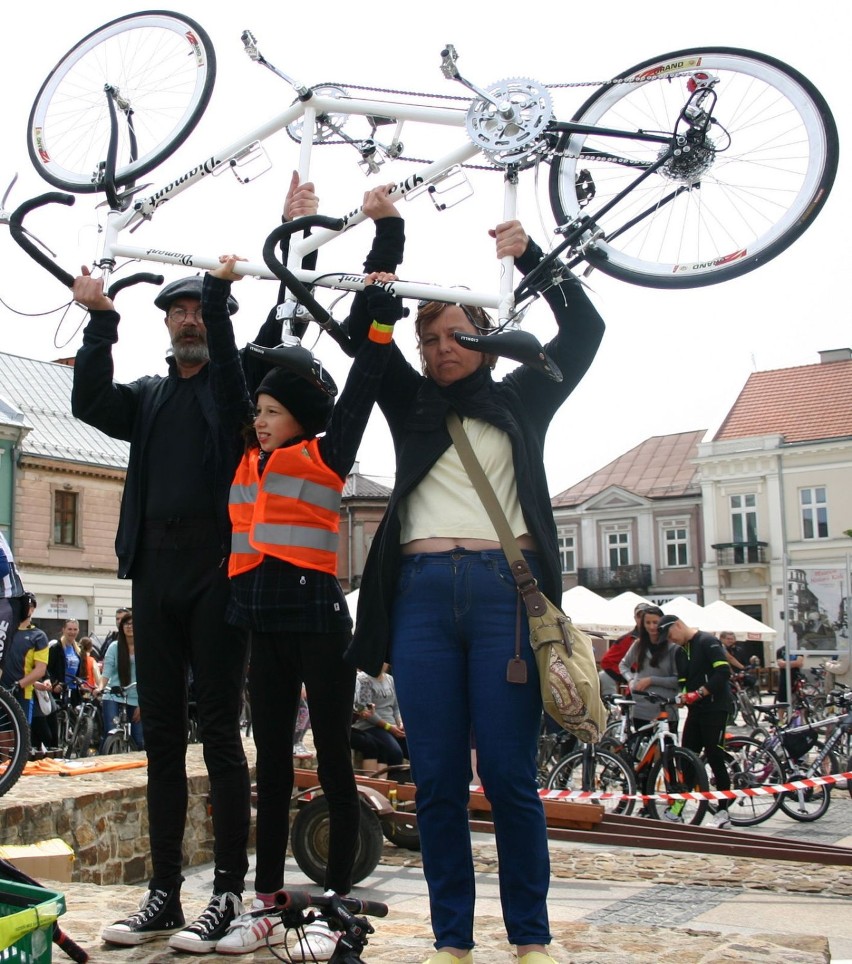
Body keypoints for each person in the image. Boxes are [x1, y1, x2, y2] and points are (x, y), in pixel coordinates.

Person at [67, 181, 329, 951]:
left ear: (214, 321)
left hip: (220, 571)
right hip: (154, 571)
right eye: (176, 311)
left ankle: (224, 891)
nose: (187, 318)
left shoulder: (237, 394)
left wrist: (292, 230)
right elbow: (87, 402)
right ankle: (161, 892)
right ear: (166, 324)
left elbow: (286, 316)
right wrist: (99, 321)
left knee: (218, 732)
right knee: (158, 737)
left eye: (197, 310)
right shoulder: (147, 396)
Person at [345, 218, 605, 964]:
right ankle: (451, 941)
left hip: (505, 594)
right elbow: (366, 330)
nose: (441, 349)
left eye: (457, 334)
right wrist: (386, 249)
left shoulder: (524, 394)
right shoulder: (410, 399)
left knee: (510, 776)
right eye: (429, 341)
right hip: (422, 598)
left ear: (487, 336)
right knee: (436, 782)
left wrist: (529, 258)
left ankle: (530, 937)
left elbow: (586, 327)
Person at [212, 187, 405, 959]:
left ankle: (333, 902)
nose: (258, 416)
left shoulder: (326, 455)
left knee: (329, 755)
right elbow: (235, 368)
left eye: (271, 408)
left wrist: (383, 272)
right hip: (260, 619)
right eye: (255, 409)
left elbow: (368, 366)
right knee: (272, 761)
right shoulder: (246, 452)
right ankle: (264, 901)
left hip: (317, 621)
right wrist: (227, 295)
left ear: (298, 415)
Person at [655, 614, 733, 830]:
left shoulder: (708, 642)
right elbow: (683, 682)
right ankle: (678, 810)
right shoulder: (681, 653)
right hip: (695, 711)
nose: (672, 640)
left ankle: (723, 811)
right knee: (687, 758)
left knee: (715, 756)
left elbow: (723, 672)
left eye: (671, 635)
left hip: (716, 708)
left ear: (678, 626)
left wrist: (699, 693)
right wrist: (681, 696)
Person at [617, 606, 679, 731]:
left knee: (666, 747)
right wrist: (631, 680)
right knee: (642, 746)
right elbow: (623, 665)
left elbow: (678, 680)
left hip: (665, 706)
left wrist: (651, 680)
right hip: (641, 706)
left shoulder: (673, 647)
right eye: (648, 623)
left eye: (655, 622)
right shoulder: (639, 645)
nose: (651, 627)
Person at [0, 592, 49, 728]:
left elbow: (40, 670)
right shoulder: (5, 630)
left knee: (20, 733)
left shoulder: (38, 636)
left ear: (33, 609)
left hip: (22, 693)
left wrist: (19, 684)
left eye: (28, 606)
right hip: (2, 690)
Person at [100, 611, 144, 750]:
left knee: (138, 739)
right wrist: (100, 687)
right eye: (126, 624)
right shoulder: (114, 646)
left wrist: (143, 703)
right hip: (114, 694)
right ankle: (108, 754)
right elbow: (106, 672)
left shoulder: (145, 646)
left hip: (136, 697)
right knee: (110, 732)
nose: (129, 626)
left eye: (132, 623)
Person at [351, 664, 408, 767]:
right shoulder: (363, 680)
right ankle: (390, 781)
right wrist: (389, 727)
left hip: (392, 725)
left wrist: (400, 723)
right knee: (395, 753)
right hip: (371, 726)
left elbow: (396, 706)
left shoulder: (390, 679)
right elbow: (366, 711)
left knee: (413, 749)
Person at [599, 603, 648, 698]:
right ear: (635, 618)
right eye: (639, 616)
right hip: (636, 687)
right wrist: (627, 677)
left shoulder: (661, 638)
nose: (642, 619)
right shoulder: (626, 640)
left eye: (645, 616)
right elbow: (607, 662)